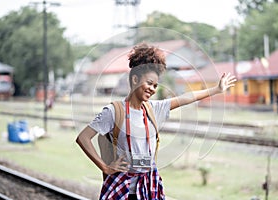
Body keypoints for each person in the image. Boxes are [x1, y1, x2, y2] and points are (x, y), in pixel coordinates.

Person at [76, 42, 237, 200]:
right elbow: (83, 138)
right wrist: (105, 167)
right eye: (149, 83)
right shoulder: (113, 112)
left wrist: (216, 90)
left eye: (155, 85)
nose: (152, 89)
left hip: (148, 187)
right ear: (135, 80)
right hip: (122, 188)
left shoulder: (154, 109)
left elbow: (186, 98)